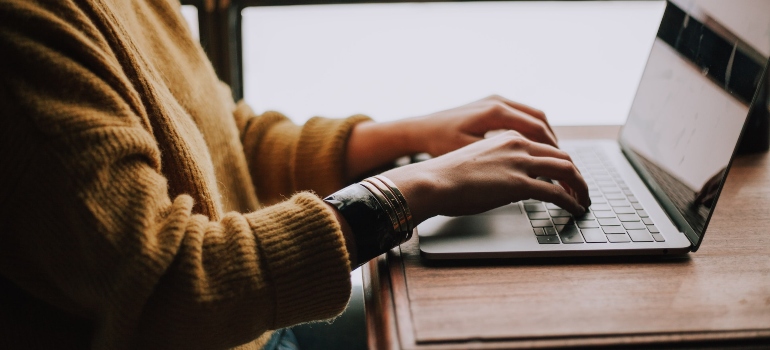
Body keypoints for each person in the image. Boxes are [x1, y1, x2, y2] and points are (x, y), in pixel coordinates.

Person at [0, 0, 589, 349]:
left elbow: (223, 140)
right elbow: (171, 286)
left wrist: (411, 136)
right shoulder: (23, 32)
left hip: (254, 326)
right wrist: (416, 189)